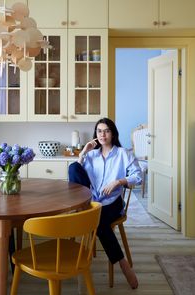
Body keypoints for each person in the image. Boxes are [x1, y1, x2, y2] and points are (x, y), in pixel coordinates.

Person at [68, 118, 142, 289]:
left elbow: (138, 176)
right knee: (73, 166)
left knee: (97, 221)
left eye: (106, 130)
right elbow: (76, 175)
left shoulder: (124, 153)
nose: (102, 134)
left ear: (113, 133)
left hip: (112, 203)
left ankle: (123, 264)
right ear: (96, 134)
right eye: (99, 131)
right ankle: (82, 207)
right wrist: (83, 153)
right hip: (92, 201)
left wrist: (118, 181)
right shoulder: (92, 155)